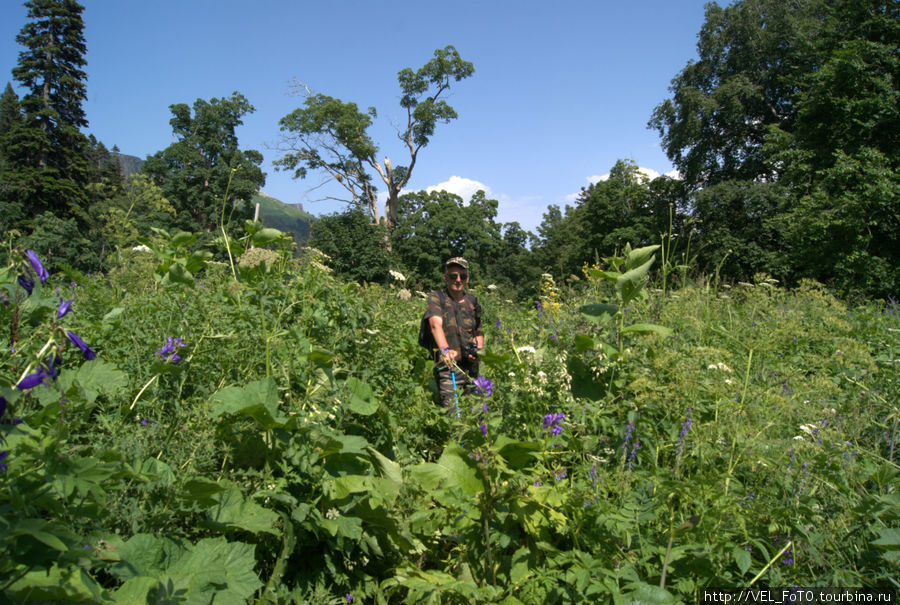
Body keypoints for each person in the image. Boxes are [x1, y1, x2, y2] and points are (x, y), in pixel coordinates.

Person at [424, 257, 484, 412]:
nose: (458, 280)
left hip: (471, 369)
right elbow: (435, 325)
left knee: (476, 413)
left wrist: (478, 351)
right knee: (453, 414)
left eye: (462, 276)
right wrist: (445, 351)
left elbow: (478, 330)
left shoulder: (472, 301)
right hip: (448, 367)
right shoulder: (437, 298)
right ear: (446, 278)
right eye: (453, 276)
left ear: (467, 279)